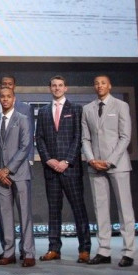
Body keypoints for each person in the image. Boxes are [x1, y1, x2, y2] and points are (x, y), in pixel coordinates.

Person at [35, 75, 91, 263]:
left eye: (60, 85)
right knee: (53, 210)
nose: (57, 88)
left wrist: (66, 161)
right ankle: (54, 249)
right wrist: (49, 160)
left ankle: (84, 249)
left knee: (78, 209)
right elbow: (39, 138)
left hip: (70, 169)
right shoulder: (43, 111)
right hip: (51, 169)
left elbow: (78, 137)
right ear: (50, 88)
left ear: (66, 88)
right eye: (54, 85)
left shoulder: (76, 109)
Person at [81, 74, 136, 268]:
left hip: (118, 165)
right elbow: (85, 139)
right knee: (100, 210)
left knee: (124, 208)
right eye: (96, 83)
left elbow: (125, 137)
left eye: (103, 83)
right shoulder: (87, 109)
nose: (99, 86)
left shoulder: (121, 106)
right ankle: (104, 250)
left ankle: (128, 252)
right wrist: (91, 159)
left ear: (110, 86)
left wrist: (110, 161)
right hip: (95, 166)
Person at [0, 86, 35, 267]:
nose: (5, 99)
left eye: (8, 97)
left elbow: (25, 147)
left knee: (25, 215)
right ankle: (8, 253)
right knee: (4, 215)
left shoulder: (23, 119)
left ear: (14, 99)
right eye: (2, 97)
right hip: (0, 176)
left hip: (20, 174)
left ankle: (28, 252)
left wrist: (8, 169)